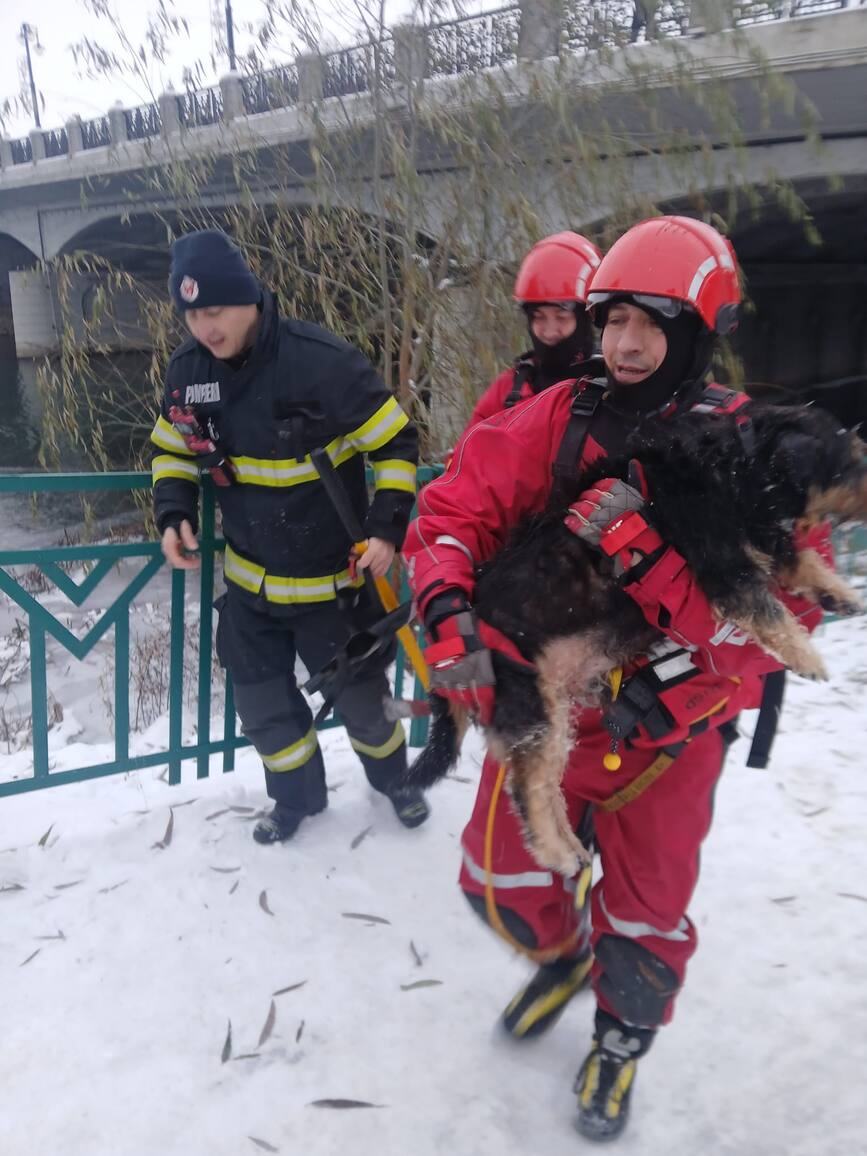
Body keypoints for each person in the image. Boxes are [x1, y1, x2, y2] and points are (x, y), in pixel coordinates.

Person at [403, 216, 830, 1140]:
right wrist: (443, 611)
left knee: (647, 913)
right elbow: (451, 512)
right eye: (610, 321)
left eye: (649, 323)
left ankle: (621, 1035)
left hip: (670, 739)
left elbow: (778, 626)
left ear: (697, 331)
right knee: (496, 882)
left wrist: (654, 569)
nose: (623, 344)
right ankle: (560, 955)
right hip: (552, 711)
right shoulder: (556, 418)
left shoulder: (750, 442)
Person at [150, 229, 428, 844]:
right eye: (192, 313)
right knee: (267, 715)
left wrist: (386, 531)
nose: (205, 327)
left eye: (215, 309)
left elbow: (394, 442)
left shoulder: (320, 361)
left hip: (334, 589)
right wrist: (174, 514)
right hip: (250, 596)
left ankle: (397, 781)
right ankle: (296, 801)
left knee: (367, 709)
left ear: (248, 299)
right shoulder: (187, 373)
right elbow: (172, 451)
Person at [463, 232, 603, 432]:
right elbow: (465, 456)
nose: (549, 331)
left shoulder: (613, 386)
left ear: (586, 317)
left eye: (562, 317)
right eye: (538, 317)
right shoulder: (509, 390)